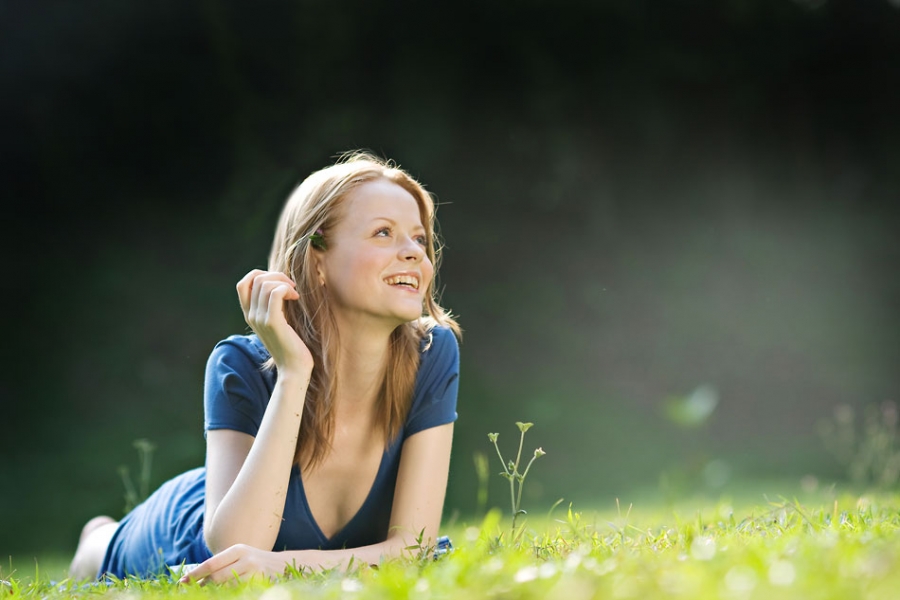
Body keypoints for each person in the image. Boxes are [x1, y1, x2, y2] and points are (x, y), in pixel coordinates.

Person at [68, 152, 461, 583]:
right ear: (318, 260)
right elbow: (235, 547)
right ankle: (98, 537)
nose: (413, 253)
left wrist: (278, 566)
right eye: (383, 232)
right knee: (99, 555)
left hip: (242, 521)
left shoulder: (432, 353)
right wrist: (293, 372)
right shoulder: (240, 363)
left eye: (419, 238)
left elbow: (414, 548)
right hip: (194, 528)